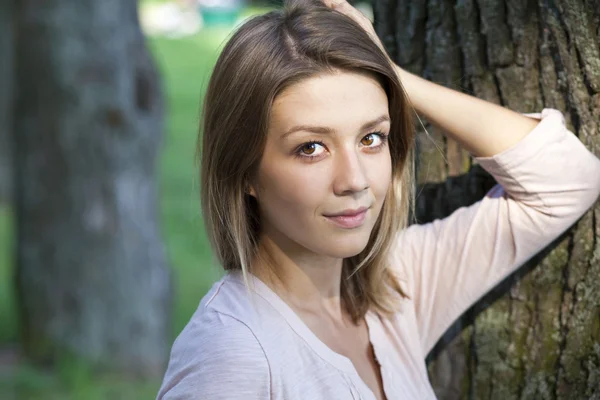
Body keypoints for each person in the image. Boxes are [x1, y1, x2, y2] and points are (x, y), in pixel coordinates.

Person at [156, 0, 600, 398]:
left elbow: (565, 180)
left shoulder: (394, 287)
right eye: (311, 147)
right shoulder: (233, 352)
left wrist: (392, 75)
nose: (354, 180)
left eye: (371, 137)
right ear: (246, 170)